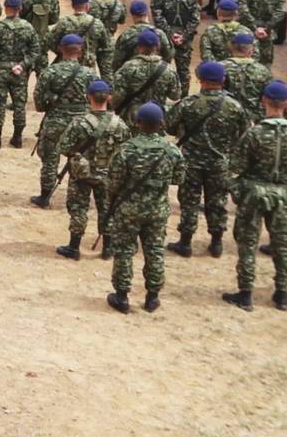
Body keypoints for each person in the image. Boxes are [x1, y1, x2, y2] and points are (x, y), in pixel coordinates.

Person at [222, 80, 287, 312]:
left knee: (248, 244)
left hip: (254, 193)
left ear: (264, 102)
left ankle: (246, 293)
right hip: (284, 195)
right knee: (281, 245)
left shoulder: (254, 134)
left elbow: (233, 168)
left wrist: (238, 190)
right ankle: (282, 294)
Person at [104, 101, 186, 313]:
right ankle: (152, 297)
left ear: (138, 123)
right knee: (155, 251)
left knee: (123, 251)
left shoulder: (126, 150)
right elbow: (179, 178)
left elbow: (113, 183)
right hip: (157, 210)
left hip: (128, 210)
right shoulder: (172, 150)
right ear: (161, 124)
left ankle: (121, 296)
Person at [165, 62, 251, 258]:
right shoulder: (235, 106)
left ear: (200, 80)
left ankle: (185, 242)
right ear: (222, 80)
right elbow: (244, 134)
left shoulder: (188, 103)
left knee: (189, 201)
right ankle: (216, 243)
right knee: (217, 202)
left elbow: (169, 126)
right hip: (220, 163)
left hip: (191, 162)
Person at [56, 79, 127, 260]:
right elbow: (126, 151)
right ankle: (108, 248)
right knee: (107, 209)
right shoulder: (119, 124)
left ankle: (74, 247)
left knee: (79, 208)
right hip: (108, 175)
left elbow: (63, 147)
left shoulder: (79, 122)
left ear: (89, 97)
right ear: (109, 98)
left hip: (82, 173)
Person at [32, 34, 93, 207]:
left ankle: (45, 196)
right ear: (80, 50)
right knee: (81, 159)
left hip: (55, 122)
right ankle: (78, 199)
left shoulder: (50, 72)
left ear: (60, 49)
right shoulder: (89, 74)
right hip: (82, 123)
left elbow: (38, 101)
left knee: (50, 159)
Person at [0, 0, 42, 149]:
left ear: (5, 8)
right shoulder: (28, 27)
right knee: (19, 105)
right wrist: (23, 65)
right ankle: (17, 138)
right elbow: (35, 51)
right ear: (20, 8)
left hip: (0, 71)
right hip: (19, 72)